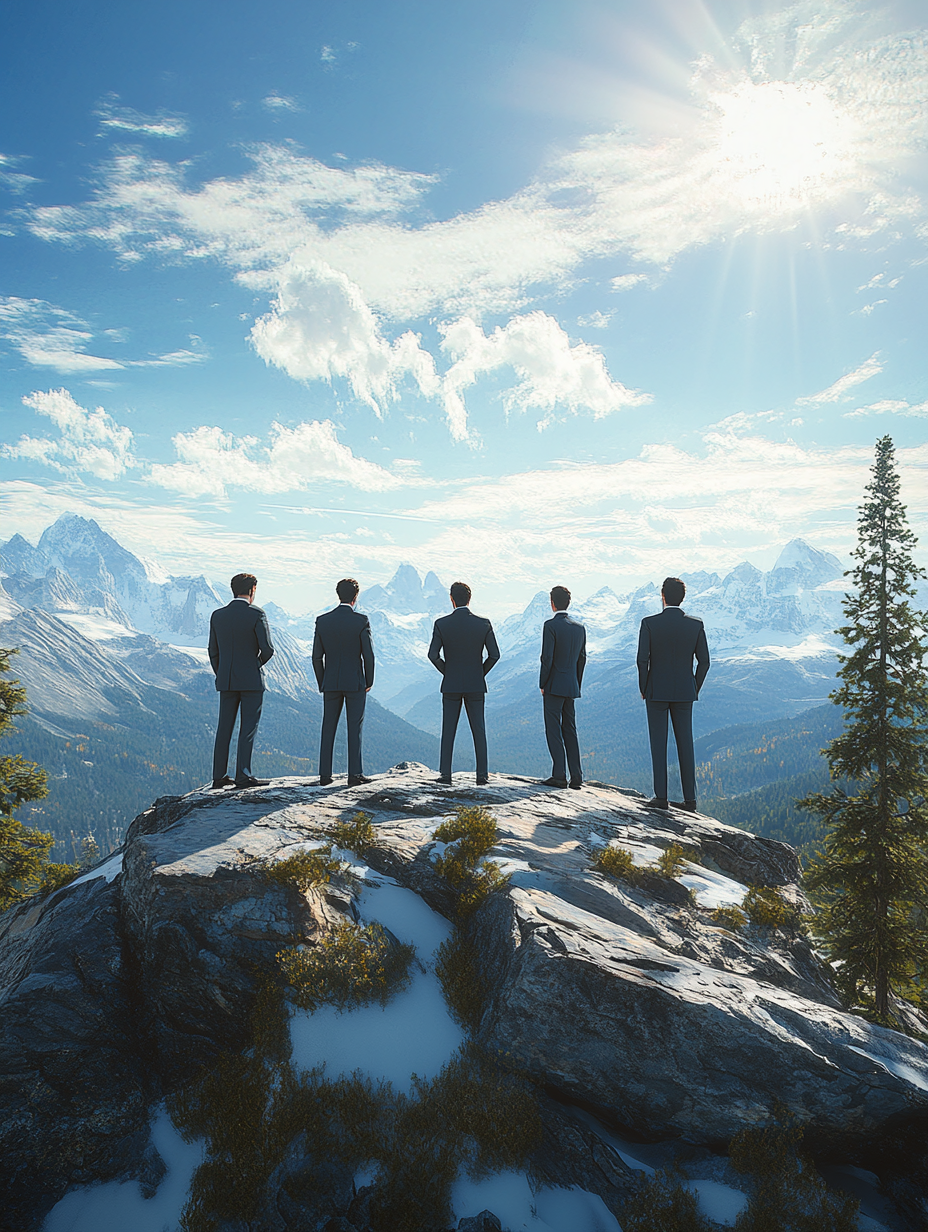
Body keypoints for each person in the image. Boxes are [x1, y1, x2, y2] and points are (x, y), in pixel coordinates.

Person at [636, 576, 710, 812]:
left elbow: (642, 660)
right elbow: (705, 662)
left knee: (659, 744)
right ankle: (690, 801)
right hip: (685, 692)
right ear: (683, 597)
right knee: (685, 743)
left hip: (656, 691)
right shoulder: (696, 625)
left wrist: (644, 687)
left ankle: (661, 798)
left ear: (663, 596)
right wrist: (693, 686)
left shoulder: (649, 623)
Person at [428, 581, 500, 785]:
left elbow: (433, 655)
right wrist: (480, 673)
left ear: (451, 599)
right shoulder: (484, 623)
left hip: (451, 684)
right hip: (475, 684)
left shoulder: (441, 624)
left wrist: (447, 672)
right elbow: (494, 655)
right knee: (479, 729)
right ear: (470, 599)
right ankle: (482, 775)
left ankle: (445, 775)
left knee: (448, 729)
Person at [208, 572, 275, 790]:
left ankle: (219, 776)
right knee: (248, 728)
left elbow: (213, 651)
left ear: (233, 589)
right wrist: (254, 665)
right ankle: (243, 776)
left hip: (226, 679)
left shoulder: (218, 615)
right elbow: (267, 649)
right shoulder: (257, 614)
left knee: (224, 728)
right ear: (253, 590)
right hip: (251, 681)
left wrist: (223, 672)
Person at [312, 578, 375, 787]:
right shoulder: (361, 620)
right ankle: (354, 775)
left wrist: (323, 681)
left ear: (338, 594)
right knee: (354, 727)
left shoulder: (322, 620)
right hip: (355, 681)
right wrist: (369, 680)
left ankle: (324, 775)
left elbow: (316, 657)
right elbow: (369, 655)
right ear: (356, 596)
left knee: (328, 726)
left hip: (330, 681)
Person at [539, 585, 586, 789]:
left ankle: (559, 774)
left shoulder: (550, 626)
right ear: (568, 603)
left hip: (553, 685)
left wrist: (543, 682)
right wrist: (577, 682)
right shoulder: (579, 628)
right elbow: (582, 659)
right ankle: (576, 776)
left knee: (553, 729)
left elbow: (547, 658)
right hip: (571, 685)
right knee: (570, 729)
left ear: (552, 603)